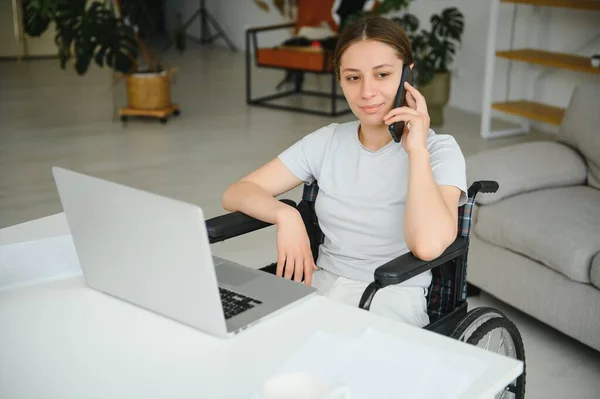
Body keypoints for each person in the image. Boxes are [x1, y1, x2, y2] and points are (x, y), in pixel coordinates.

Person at [222, 15, 467, 328]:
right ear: (340, 79)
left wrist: (416, 151)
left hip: (391, 297)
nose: (367, 92)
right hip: (320, 287)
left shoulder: (439, 151)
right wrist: (286, 216)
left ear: (407, 74)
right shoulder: (328, 141)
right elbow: (237, 192)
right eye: (353, 78)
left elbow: (427, 246)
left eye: (382, 74)